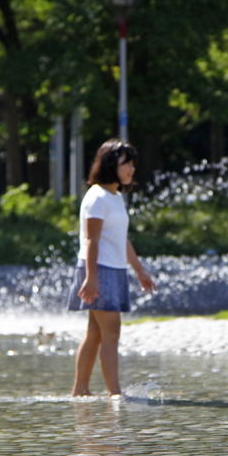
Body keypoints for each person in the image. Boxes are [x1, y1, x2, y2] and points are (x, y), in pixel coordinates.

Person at [67, 139, 156, 397]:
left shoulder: (115, 196)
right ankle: (114, 393)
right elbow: (91, 240)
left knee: (95, 333)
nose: (131, 169)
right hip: (99, 269)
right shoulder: (97, 197)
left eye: (133, 164)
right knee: (111, 332)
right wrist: (91, 278)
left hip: (113, 269)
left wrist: (140, 270)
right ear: (110, 164)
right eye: (126, 163)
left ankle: (81, 391)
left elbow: (121, 239)